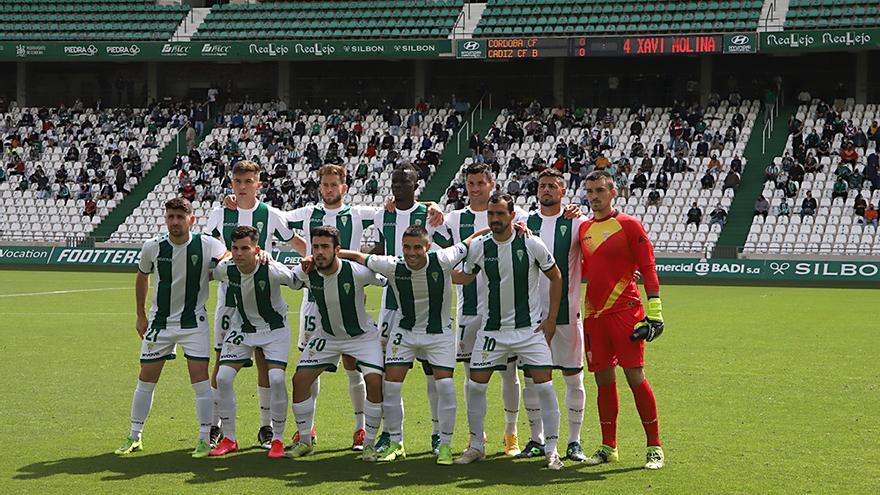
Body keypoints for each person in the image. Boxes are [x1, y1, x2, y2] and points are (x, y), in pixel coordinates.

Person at [335, 225, 479, 465]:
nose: (411, 253)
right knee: (390, 387)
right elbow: (362, 257)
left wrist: (512, 228)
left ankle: (445, 446)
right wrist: (336, 253)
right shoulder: (394, 265)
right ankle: (396, 443)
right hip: (405, 332)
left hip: (438, 333)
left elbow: (470, 240)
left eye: (417, 248)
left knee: (444, 387)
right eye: (407, 247)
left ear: (428, 247)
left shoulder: (443, 259)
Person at [453, 192, 566, 471]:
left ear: (512, 216)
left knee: (546, 386)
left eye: (500, 214)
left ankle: (551, 449)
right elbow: (465, 276)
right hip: (492, 332)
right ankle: (477, 445)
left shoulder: (530, 243)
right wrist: (434, 266)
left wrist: (550, 319)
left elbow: (556, 276)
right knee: (475, 386)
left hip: (529, 331)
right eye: (491, 215)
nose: (495, 219)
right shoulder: (480, 246)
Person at [114, 198, 227, 459]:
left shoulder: (206, 243)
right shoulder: (152, 246)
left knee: (199, 381)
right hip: (160, 322)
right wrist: (140, 315)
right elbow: (143, 275)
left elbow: (227, 256)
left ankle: (203, 439)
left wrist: (218, 267)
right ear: (165, 219)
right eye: (170, 217)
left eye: (180, 216)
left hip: (193, 323)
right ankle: (134, 435)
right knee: (146, 380)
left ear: (191, 219)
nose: (175, 221)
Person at [431, 163, 530, 457]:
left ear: (491, 183)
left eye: (480, 183)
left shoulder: (516, 216)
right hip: (469, 310)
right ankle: (477, 437)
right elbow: (439, 257)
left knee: (509, 374)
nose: (475, 189)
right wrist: (430, 207)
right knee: (472, 376)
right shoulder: (453, 218)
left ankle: (511, 433)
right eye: (470, 183)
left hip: (506, 312)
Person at [205, 160, 298, 450]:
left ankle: (266, 427)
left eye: (248, 181)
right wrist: (224, 260)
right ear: (231, 183)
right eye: (237, 181)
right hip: (229, 300)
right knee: (220, 361)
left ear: (259, 183)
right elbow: (209, 248)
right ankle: (217, 425)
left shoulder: (270, 214)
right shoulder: (220, 213)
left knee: (264, 362)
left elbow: (296, 243)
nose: (242, 187)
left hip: (261, 299)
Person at [577, 170, 665, 470]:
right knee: (603, 380)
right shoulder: (583, 228)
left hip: (626, 310)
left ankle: (654, 446)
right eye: (589, 191)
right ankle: (608, 446)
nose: (594, 196)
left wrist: (655, 311)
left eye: (600, 190)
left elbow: (648, 266)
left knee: (635, 377)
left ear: (613, 192)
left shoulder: (628, 224)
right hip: (593, 314)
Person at [286, 226, 386, 461]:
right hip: (327, 336)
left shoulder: (356, 272)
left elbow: (385, 278)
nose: (319, 252)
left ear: (337, 250)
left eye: (325, 247)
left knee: (374, 380)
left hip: (361, 337)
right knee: (300, 380)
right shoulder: (307, 272)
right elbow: (286, 278)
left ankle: (369, 443)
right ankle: (305, 440)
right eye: (316, 247)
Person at [520, 169, 588, 462]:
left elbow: (599, 246)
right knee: (532, 380)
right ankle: (536, 439)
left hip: (567, 315)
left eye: (552, 186)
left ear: (563, 192)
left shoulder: (576, 222)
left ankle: (574, 442)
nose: (546, 190)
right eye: (542, 186)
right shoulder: (525, 223)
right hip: (533, 317)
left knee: (573, 378)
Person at [209, 226, 294, 459]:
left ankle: (277, 439)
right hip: (242, 328)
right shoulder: (226, 269)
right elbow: (208, 272)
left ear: (257, 249)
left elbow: (300, 281)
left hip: (274, 329)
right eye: (235, 248)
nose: (239, 253)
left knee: (276, 378)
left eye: (245, 248)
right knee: (223, 377)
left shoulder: (273, 270)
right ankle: (229, 438)